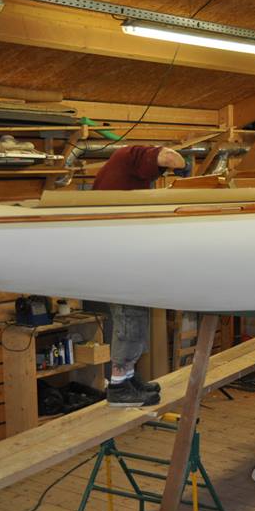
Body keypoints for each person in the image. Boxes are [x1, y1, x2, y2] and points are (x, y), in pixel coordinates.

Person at [92, 146, 186, 406]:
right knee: (128, 317)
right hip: (117, 256)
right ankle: (118, 387)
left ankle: (129, 377)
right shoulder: (134, 155)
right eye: (160, 171)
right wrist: (184, 166)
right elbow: (171, 157)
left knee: (136, 316)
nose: (160, 174)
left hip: (123, 252)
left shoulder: (127, 172)